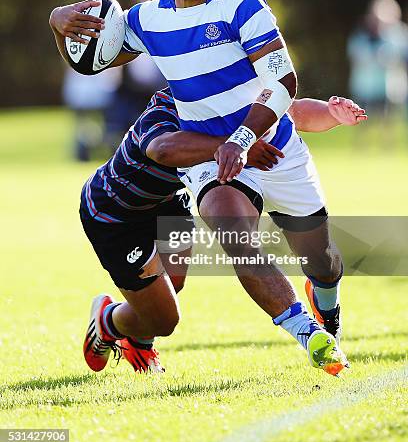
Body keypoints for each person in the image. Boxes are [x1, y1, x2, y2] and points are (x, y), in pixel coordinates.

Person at [50, 0, 366, 376]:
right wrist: (58, 23)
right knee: (234, 235)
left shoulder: (243, 5)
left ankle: (326, 305)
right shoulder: (149, 19)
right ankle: (310, 336)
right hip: (212, 158)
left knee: (323, 261)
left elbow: (284, 82)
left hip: (275, 149)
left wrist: (242, 137)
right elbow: (89, 62)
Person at [81, 86, 366, 374]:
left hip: (168, 202)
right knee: (165, 321)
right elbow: (163, 149)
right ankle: (109, 320)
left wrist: (332, 114)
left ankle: (138, 336)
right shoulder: (168, 106)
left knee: (174, 284)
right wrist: (235, 145)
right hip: (115, 214)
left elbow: (288, 111)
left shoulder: (226, 92)